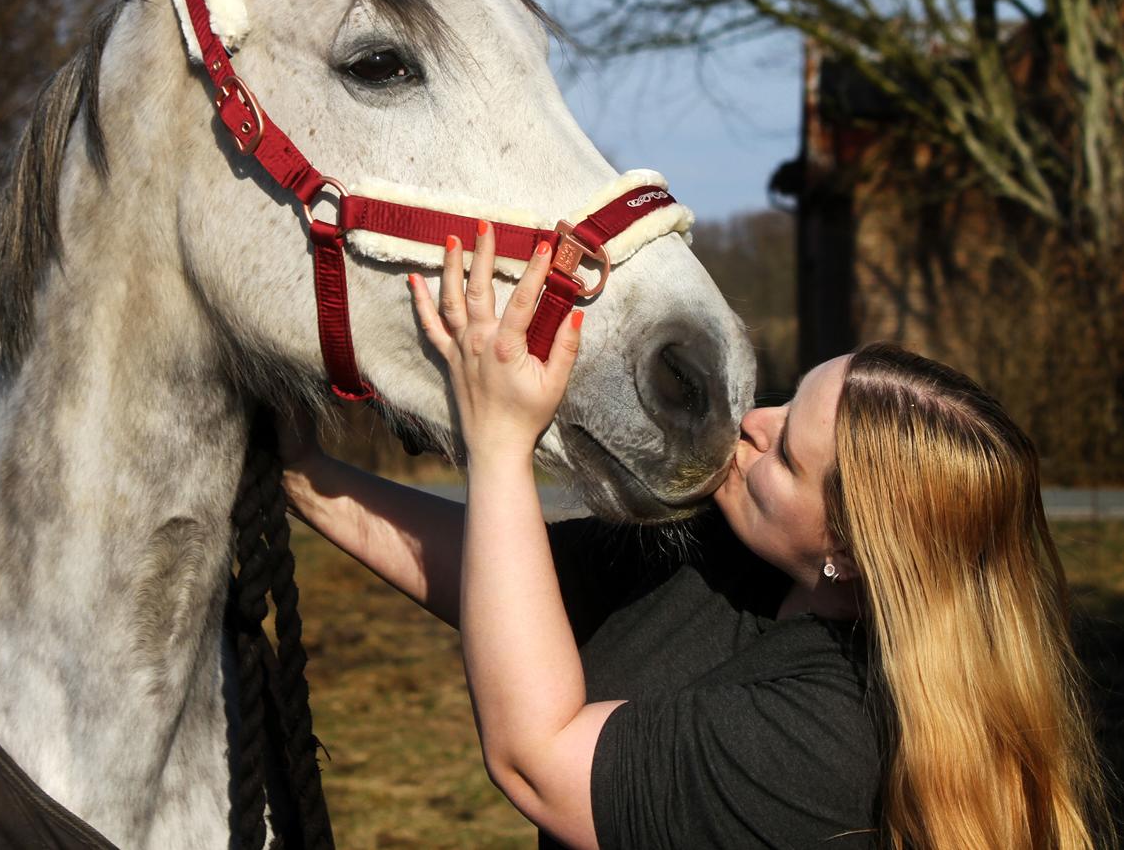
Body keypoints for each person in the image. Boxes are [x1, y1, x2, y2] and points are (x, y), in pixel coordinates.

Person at [280, 224, 1116, 849]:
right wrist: (306, 476)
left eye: (784, 454)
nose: (751, 423)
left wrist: (499, 441)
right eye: (787, 401)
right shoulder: (737, 557)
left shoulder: (836, 737)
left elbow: (540, 762)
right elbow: (509, 586)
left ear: (851, 556)